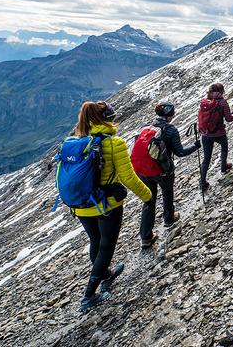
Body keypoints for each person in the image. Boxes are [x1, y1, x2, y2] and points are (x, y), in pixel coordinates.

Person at [71, 101, 152, 312]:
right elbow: (128, 177)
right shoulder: (114, 143)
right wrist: (147, 196)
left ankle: (105, 274)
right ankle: (89, 295)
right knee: (107, 246)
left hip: (81, 205)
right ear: (107, 119)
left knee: (95, 241)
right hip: (106, 205)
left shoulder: (77, 142)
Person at [137, 102, 200, 249]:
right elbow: (180, 152)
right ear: (170, 114)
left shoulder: (148, 128)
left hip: (143, 171)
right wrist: (196, 146)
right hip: (162, 170)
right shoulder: (171, 129)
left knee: (148, 201)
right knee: (167, 193)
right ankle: (169, 218)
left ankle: (146, 237)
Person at [198, 83, 233, 191]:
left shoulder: (205, 102)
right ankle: (223, 167)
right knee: (224, 147)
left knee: (206, 159)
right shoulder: (222, 102)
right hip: (219, 133)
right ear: (221, 91)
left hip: (205, 134)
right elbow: (229, 119)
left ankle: (202, 183)